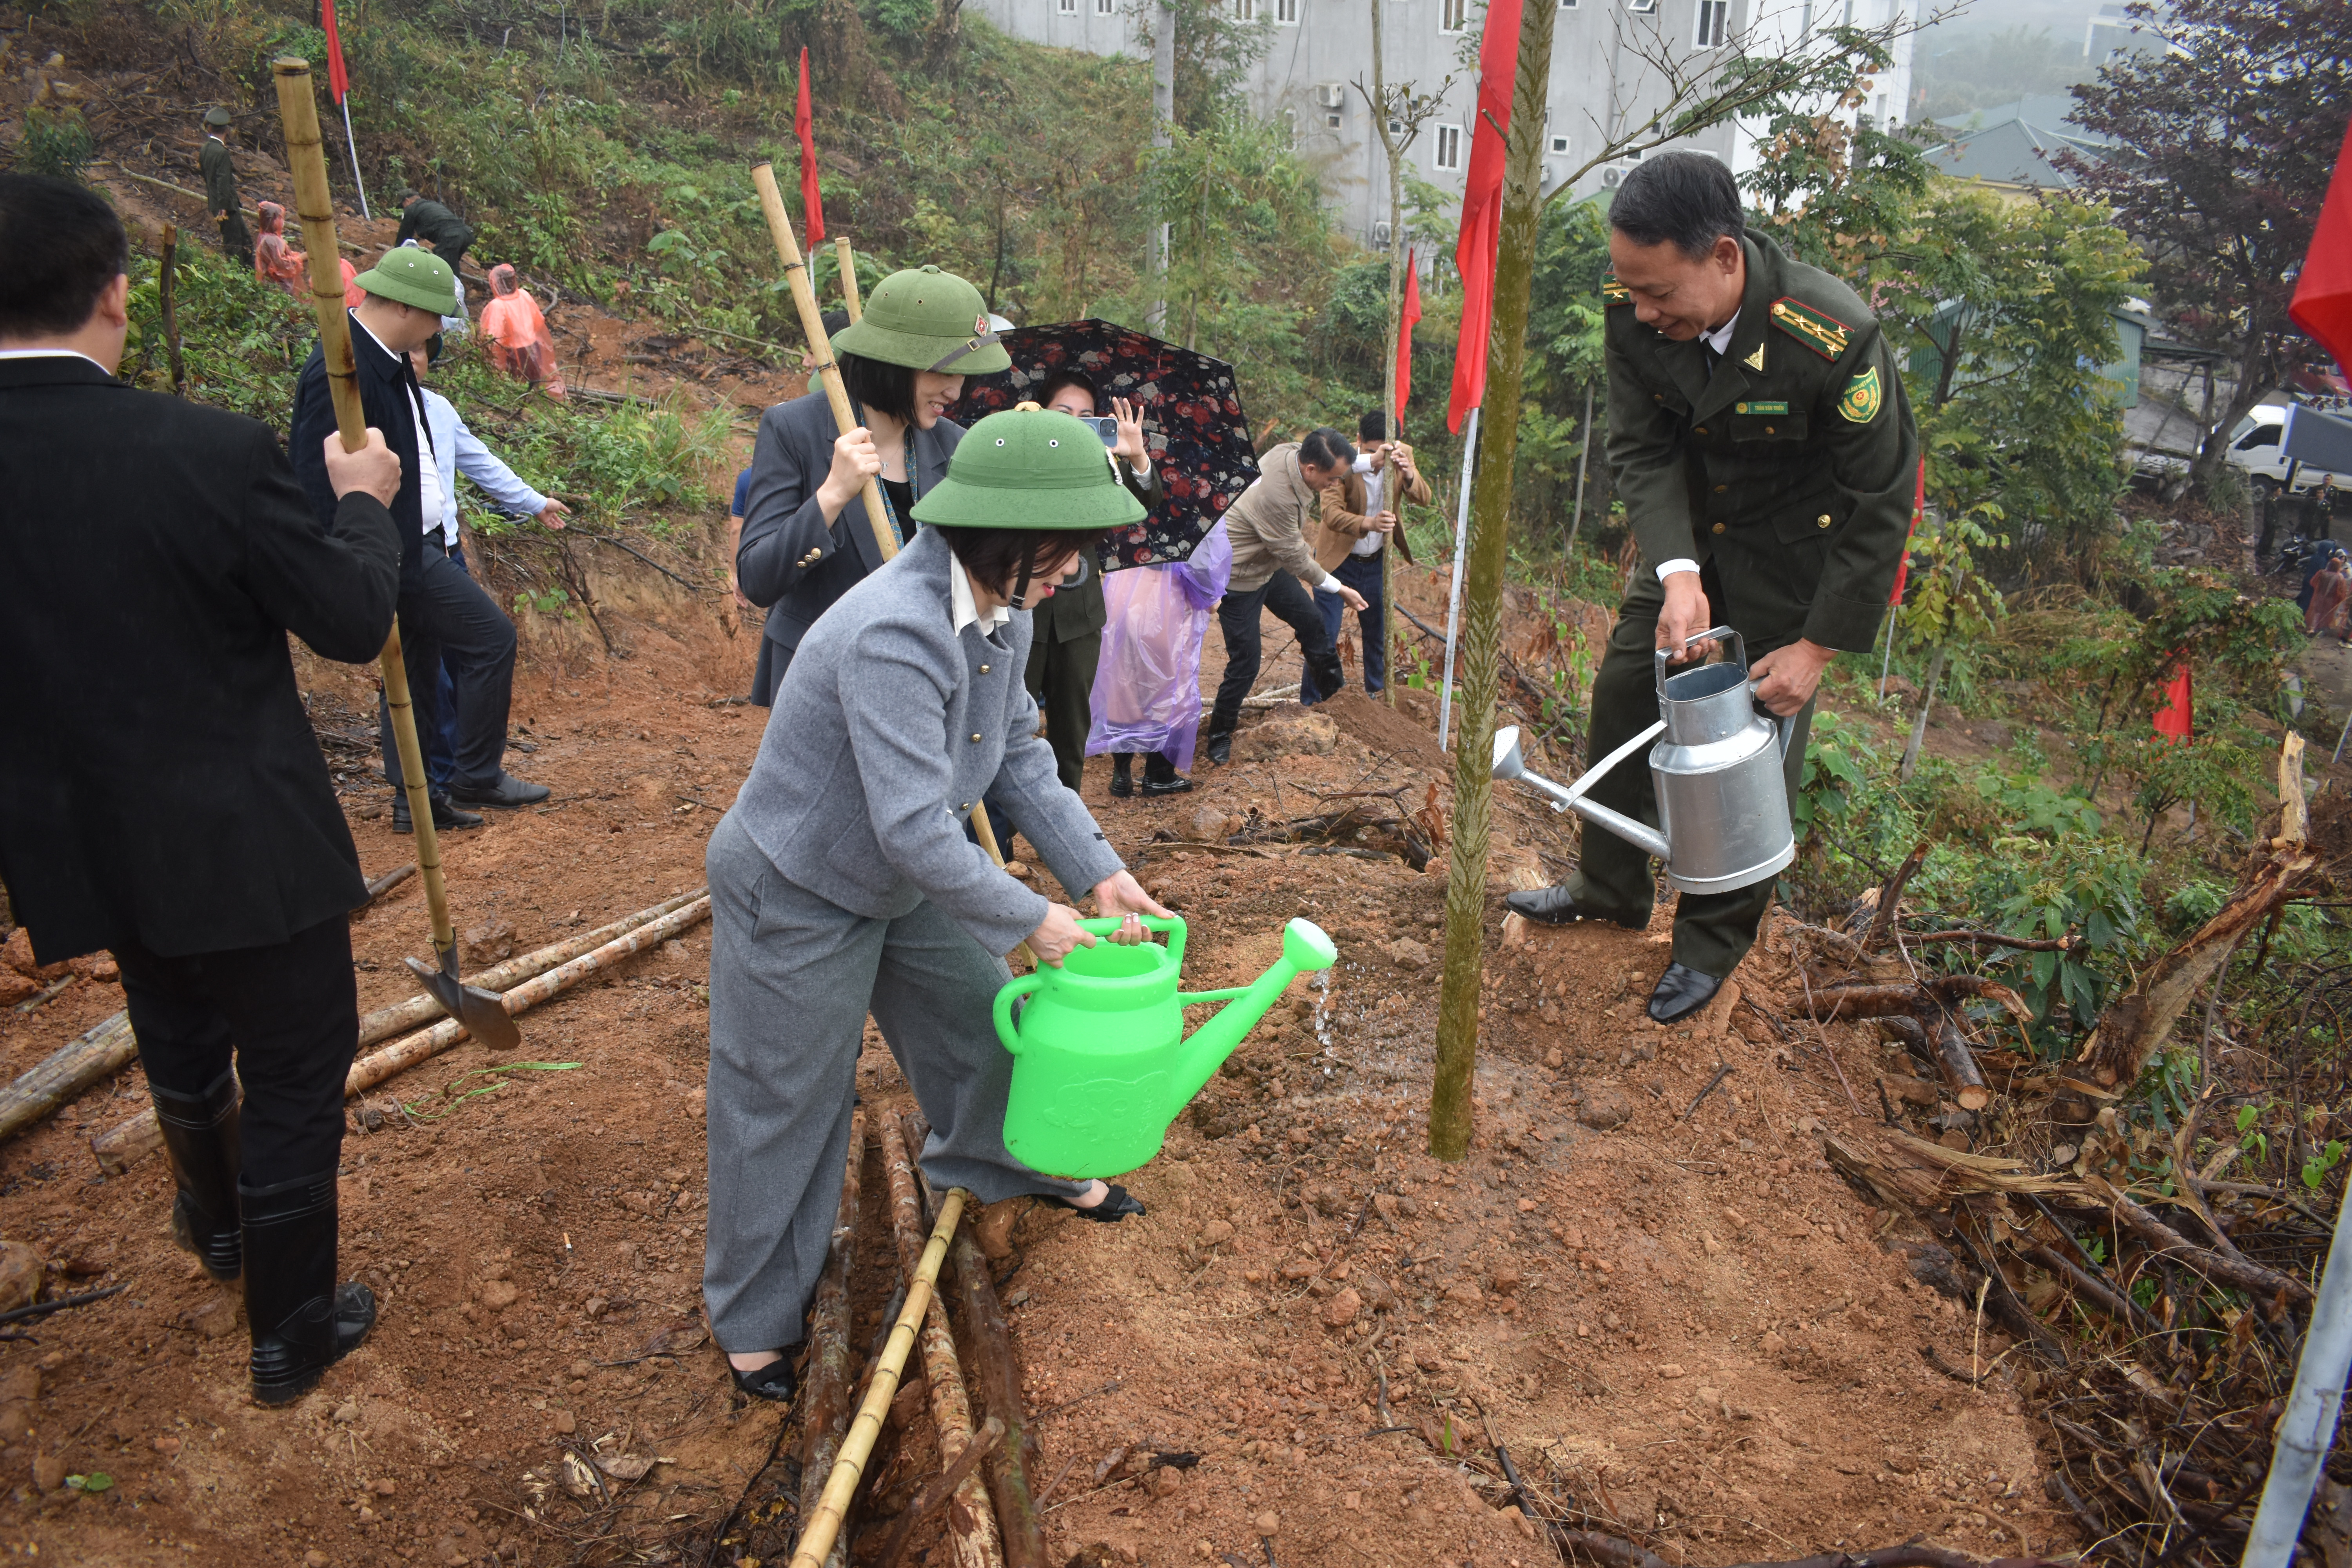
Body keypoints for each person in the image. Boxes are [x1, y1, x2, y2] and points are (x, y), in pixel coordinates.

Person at [0, 173, 402, 1404]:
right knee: (293, 1063)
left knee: (171, 1019)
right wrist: (361, 508)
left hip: (80, 840)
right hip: (242, 839)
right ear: (115, 293)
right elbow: (346, 619)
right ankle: (290, 1325)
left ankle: (218, 1226)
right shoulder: (205, 453)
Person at [704, 408, 1169, 1404]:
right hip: (799, 883)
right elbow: (915, 825)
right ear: (1010, 537)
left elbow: (1015, 755)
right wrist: (1030, 920)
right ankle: (751, 1315)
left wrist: (1095, 870)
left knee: (980, 1022)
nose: (1073, 574)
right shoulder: (895, 630)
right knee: (786, 1096)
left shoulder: (1010, 605)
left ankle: (1004, 1161)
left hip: (902, 879)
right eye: (1066, 554)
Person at [1504, 151, 1917, 1024]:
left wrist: (1816, 647)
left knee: (1750, 749)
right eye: (1634, 292)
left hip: (1789, 570)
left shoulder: (1832, 338)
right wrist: (1679, 575)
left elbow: (1881, 502)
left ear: (1724, 258)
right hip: (1689, 547)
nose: (1644, 311)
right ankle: (1609, 884)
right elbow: (1643, 449)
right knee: (1624, 689)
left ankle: (1709, 944)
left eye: (1660, 294)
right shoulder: (1637, 312)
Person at [290, 248, 548, 827]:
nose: (437, 331)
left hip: (419, 541)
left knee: (416, 674)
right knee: (491, 638)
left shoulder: (386, 360)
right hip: (398, 551)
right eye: (434, 318)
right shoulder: (343, 368)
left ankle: (418, 798)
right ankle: (474, 775)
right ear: (406, 308)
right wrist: (353, 556)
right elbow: (313, 472)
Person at [735, 265, 1010, 706]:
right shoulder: (795, 429)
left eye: (965, 375)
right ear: (895, 363)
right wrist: (831, 496)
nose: (956, 391)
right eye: (945, 372)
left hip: (920, 677)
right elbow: (758, 578)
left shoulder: (957, 448)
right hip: (822, 684)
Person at [408, 340, 572, 788]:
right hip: (407, 552)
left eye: (421, 351)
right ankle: (442, 777)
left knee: (465, 660)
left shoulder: (438, 409)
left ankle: (467, 768)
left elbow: (479, 460)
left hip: (446, 551)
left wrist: (533, 501)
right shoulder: (369, 407)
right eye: (405, 351)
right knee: (435, 666)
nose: (413, 359)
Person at [1200, 426, 1368, 765]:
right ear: (1311, 470)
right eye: (1333, 479)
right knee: (1246, 662)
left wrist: (1368, 460)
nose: (1335, 486)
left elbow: (1331, 462)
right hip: (1240, 578)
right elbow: (1298, 559)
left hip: (1269, 567)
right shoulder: (1277, 497)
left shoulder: (1289, 452)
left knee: (1312, 622)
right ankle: (1219, 733)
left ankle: (1337, 703)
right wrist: (1342, 589)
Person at [1030, 369, 1163, 792]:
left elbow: (1144, 501)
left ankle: (1064, 825)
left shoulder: (1102, 463)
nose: (1074, 421)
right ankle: (1000, 836)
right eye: (1063, 411)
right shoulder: (1016, 455)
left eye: (1085, 414)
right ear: (1039, 411)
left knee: (1071, 729)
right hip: (1023, 611)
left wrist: (1136, 456)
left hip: (1079, 614)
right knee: (1006, 722)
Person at [1091, 521, 1234, 798]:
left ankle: (1121, 774)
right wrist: (1212, 596)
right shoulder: (1193, 505)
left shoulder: (1131, 489)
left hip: (1122, 588)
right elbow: (1204, 563)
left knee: (1123, 683)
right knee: (1172, 687)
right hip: (1168, 599)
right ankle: (1160, 775)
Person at [1301, 409, 1429, 702]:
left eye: (1386, 449)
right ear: (1359, 441)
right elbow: (1331, 514)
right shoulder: (1341, 462)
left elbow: (1423, 497)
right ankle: (1312, 702)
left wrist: (1408, 472)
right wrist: (1368, 524)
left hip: (1376, 565)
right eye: (1373, 451)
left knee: (1377, 636)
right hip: (1337, 563)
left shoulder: (1402, 455)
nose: (1381, 458)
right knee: (1324, 636)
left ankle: (1378, 697)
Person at [479, 264, 566, 400]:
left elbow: (493, 339)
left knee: (517, 389)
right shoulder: (525, 295)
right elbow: (538, 322)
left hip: (513, 354)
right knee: (533, 384)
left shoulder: (497, 306)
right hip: (534, 349)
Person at [394, 189, 475, 292]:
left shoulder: (412, 209)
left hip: (451, 237)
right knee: (452, 265)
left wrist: (396, 253)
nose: (404, 209)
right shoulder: (432, 205)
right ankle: (458, 293)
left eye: (403, 206)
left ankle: (448, 297)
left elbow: (404, 235)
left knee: (440, 268)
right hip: (466, 234)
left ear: (407, 201)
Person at [198, 107, 249, 261]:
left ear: (209, 128)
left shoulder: (205, 149)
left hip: (218, 202)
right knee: (234, 244)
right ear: (227, 130)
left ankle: (248, 274)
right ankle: (237, 278)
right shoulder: (222, 153)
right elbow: (223, 182)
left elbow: (206, 177)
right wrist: (223, 207)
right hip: (227, 206)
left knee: (245, 239)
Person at [252, 200, 307, 298]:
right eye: (281, 218)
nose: (283, 221)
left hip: (272, 285)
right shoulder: (271, 240)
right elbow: (281, 264)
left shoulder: (267, 237)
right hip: (275, 287)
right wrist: (300, 258)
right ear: (272, 220)